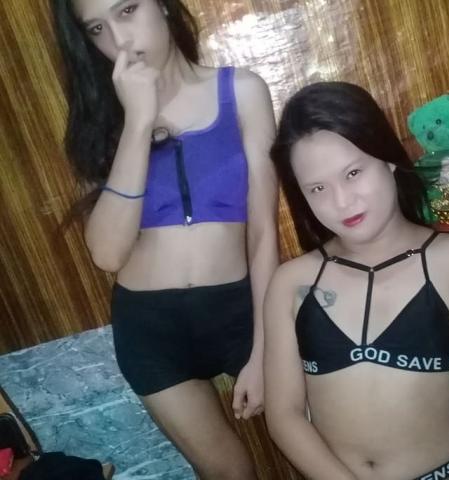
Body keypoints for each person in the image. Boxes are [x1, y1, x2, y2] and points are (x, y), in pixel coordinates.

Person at [265, 82, 449, 480]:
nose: (342, 202)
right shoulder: (291, 283)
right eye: (318, 188)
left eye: (353, 173)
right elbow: (285, 415)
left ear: (388, 159)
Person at [51, 0, 279, 478]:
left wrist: (263, 351)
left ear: (162, 6)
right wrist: (137, 122)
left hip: (239, 311)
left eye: (127, 10)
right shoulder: (104, 120)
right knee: (231, 474)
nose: (119, 40)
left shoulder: (242, 91)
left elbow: (263, 232)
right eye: (97, 28)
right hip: (151, 329)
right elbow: (107, 253)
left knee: (321, 438)